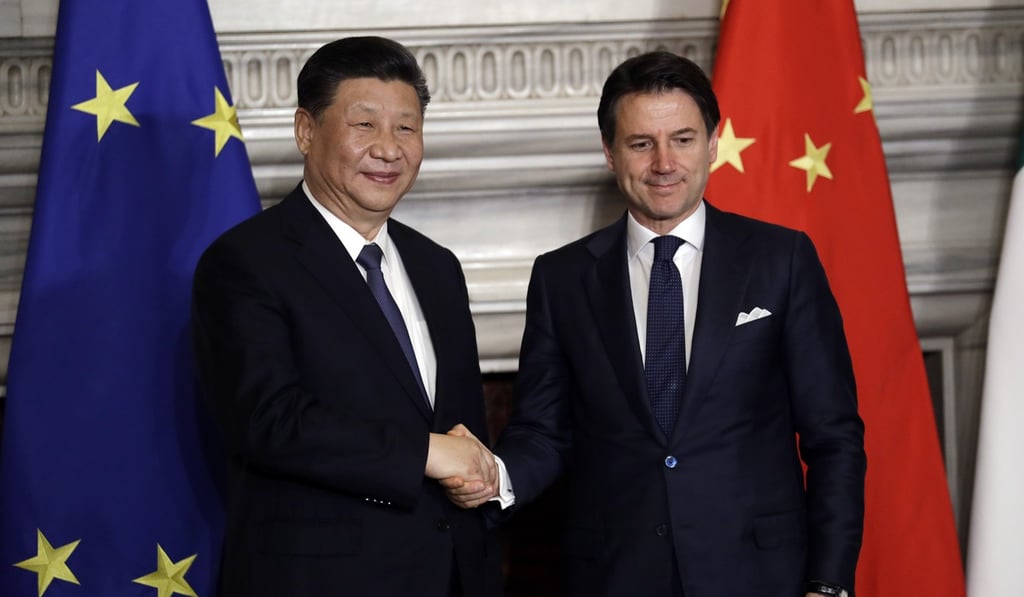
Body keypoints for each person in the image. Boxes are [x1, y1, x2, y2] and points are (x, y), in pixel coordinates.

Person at [444, 51, 866, 597]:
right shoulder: (562, 278)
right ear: (610, 152)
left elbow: (834, 438)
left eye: (683, 139)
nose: (664, 163)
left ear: (713, 144)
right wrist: (495, 477)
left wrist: (829, 584)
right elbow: (542, 431)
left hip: (762, 576)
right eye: (642, 143)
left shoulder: (781, 260)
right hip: (614, 574)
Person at [192, 36, 502, 597]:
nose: (389, 148)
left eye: (406, 128)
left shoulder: (437, 267)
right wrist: (426, 453)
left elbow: (462, 429)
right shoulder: (245, 262)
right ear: (306, 131)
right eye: (365, 125)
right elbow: (268, 420)